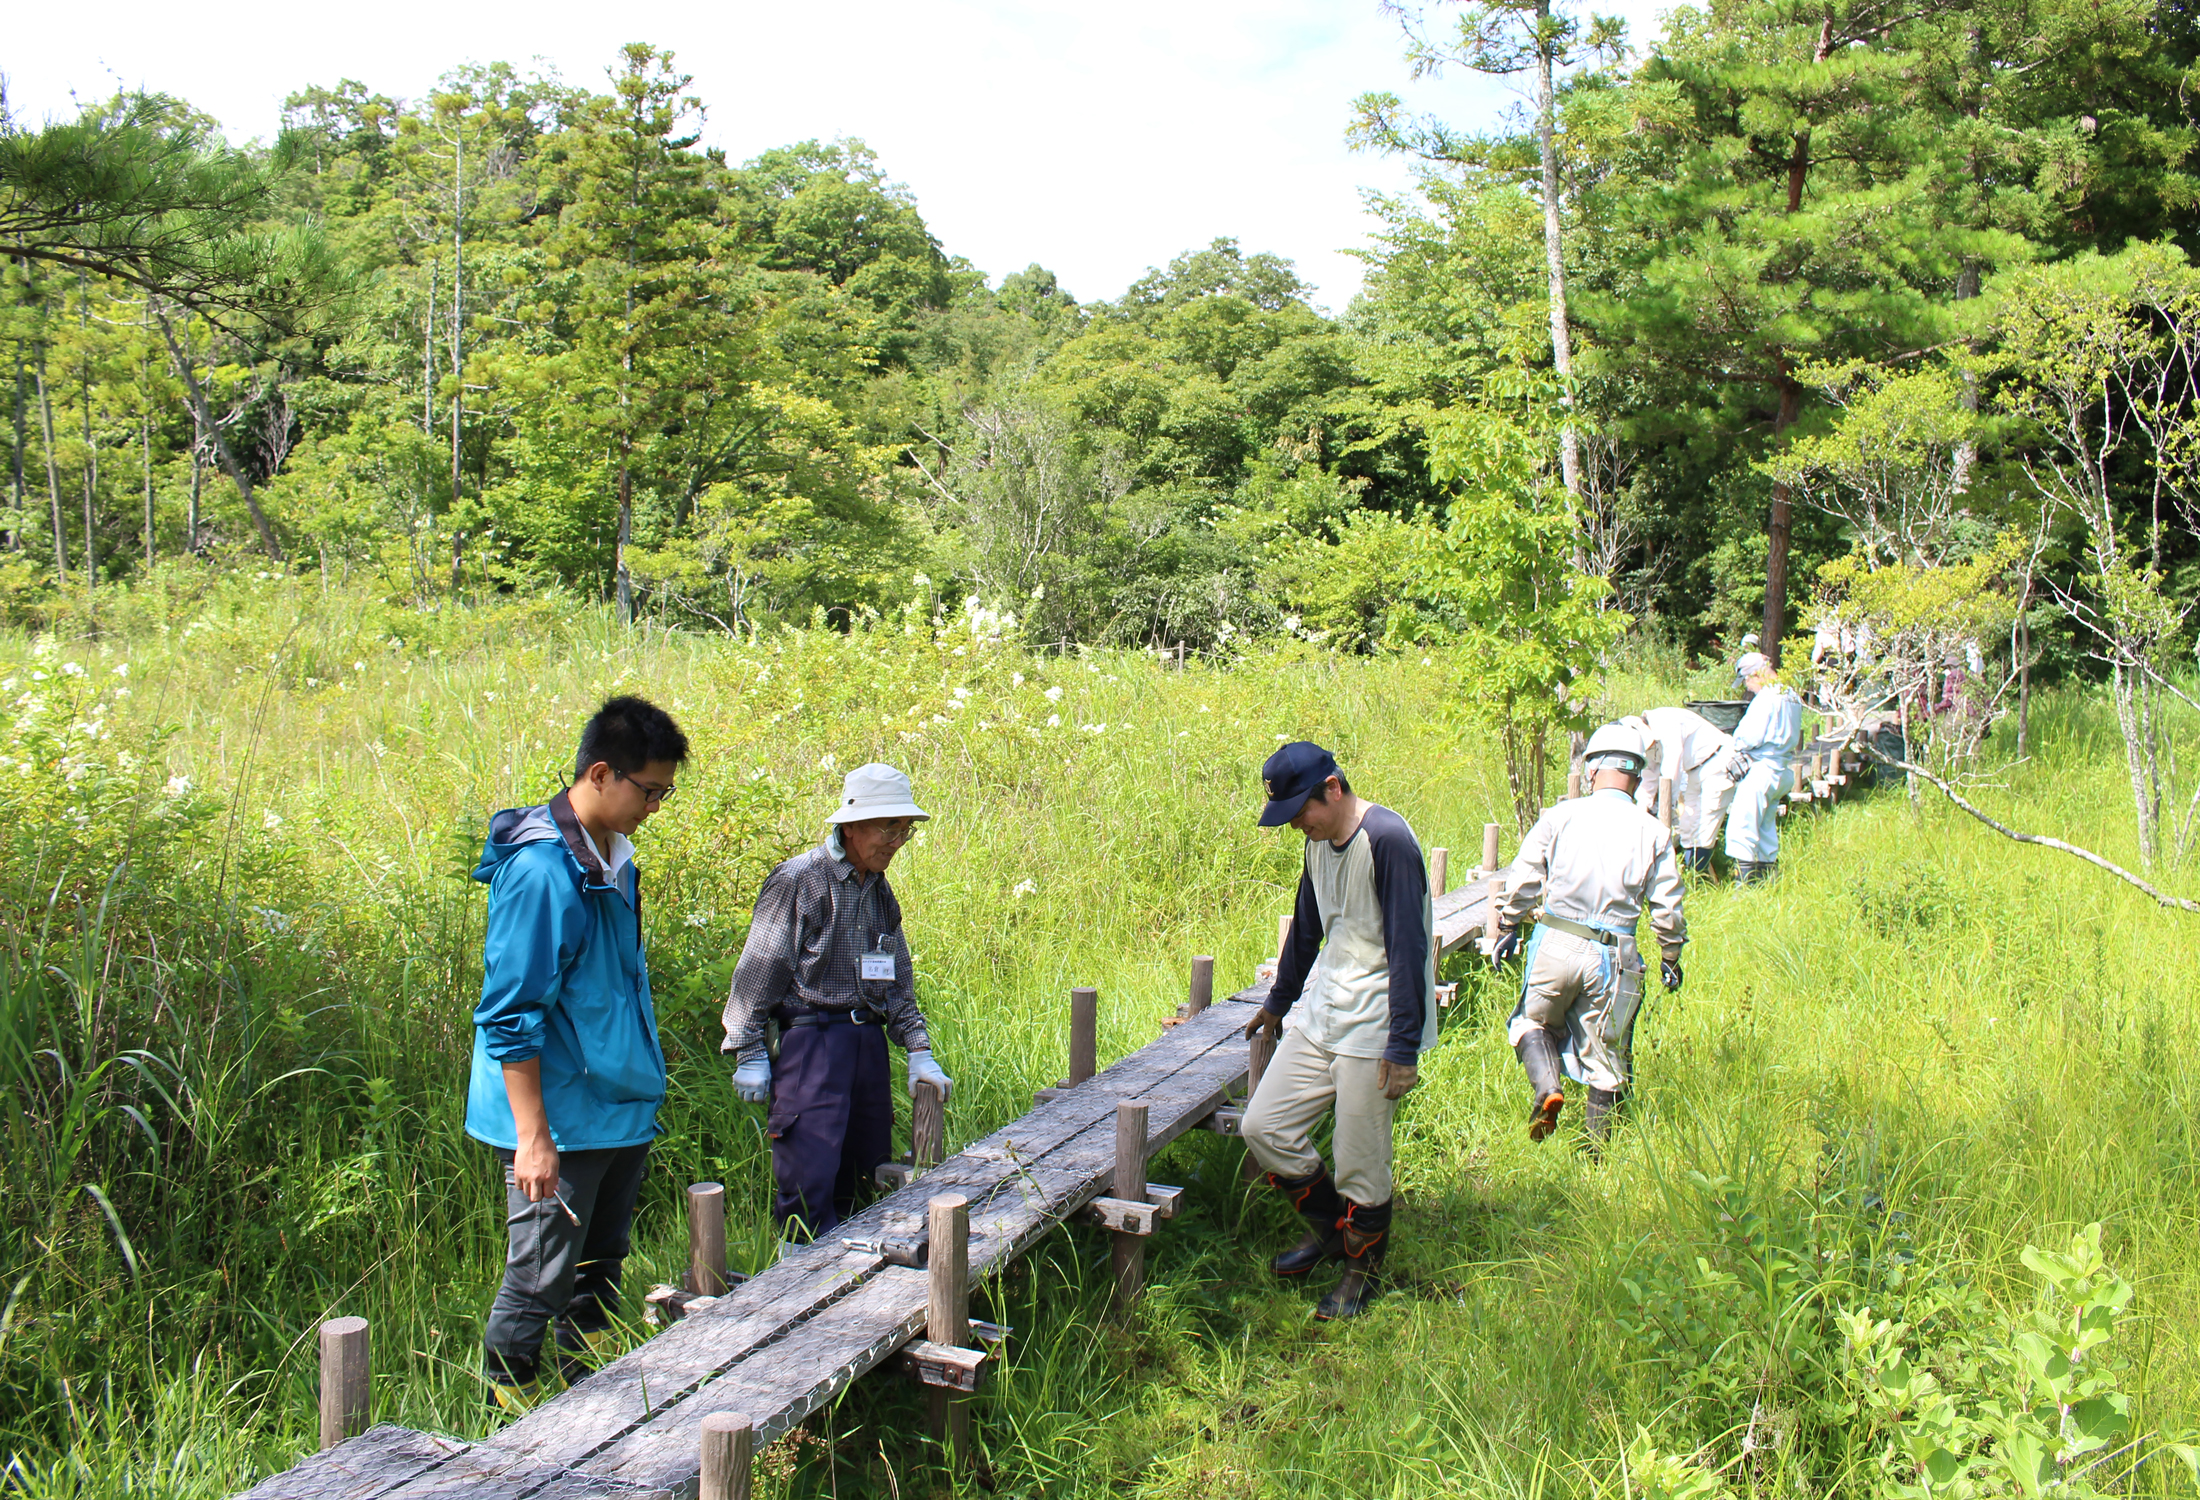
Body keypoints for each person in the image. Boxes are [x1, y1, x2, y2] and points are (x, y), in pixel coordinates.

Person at [467, 695, 690, 1407]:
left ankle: (589, 1402)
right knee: (540, 1276)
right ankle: (509, 1430)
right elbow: (510, 1015)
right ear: (601, 773)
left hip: (616, 1108)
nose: (655, 806)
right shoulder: (541, 873)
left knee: (599, 1266)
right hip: (559, 1118)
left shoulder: (613, 859)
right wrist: (533, 1139)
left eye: (665, 793)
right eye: (649, 790)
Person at [1239, 741, 1435, 1321]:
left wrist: (1403, 1047)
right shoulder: (1317, 844)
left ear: (1333, 787)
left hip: (1376, 1019)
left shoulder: (1389, 841)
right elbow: (1307, 926)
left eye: (1304, 809)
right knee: (1264, 1126)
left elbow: (1408, 947)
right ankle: (1332, 1232)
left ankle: (1361, 1270)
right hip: (1325, 1007)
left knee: (1360, 1158)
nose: (1300, 823)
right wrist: (1278, 1003)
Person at [722, 763, 953, 1241]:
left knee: (867, 1171)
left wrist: (919, 1050)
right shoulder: (799, 881)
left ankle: (863, 1292)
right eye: (889, 827)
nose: (896, 840)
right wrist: (747, 1051)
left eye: (904, 831)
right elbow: (759, 971)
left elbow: (896, 981)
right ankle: (795, 1291)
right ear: (850, 825)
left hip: (866, 1043)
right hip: (813, 1044)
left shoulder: (879, 891)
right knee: (809, 1180)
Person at [1490, 721, 1685, 1145]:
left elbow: (1523, 880)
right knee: (1608, 1061)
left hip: (1556, 941)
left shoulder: (1559, 816)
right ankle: (1597, 1158)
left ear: (1592, 769)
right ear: (1635, 775)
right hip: (1615, 956)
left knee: (1530, 1022)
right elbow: (1667, 908)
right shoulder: (1654, 831)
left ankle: (1547, 1087)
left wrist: (1508, 923)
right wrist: (1671, 957)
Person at [1622, 706, 1748, 874]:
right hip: (1694, 770)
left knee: (1705, 823)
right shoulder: (1648, 738)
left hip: (1717, 761)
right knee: (1688, 824)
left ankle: (1698, 877)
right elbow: (1649, 777)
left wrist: (1665, 809)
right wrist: (1641, 812)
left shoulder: (1667, 722)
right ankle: (1691, 874)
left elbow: (1672, 771)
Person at [1724, 651, 1805, 884]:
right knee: (1767, 828)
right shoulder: (1791, 694)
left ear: (1755, 674)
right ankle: (1769, 881)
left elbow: (1748, 736)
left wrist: (1735, 739)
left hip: (1762, 770)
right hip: (1783, 769)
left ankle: (1743, 887)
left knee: (1741, 828)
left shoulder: (1767, 698)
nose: (1748, 688)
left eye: (1747, 681)